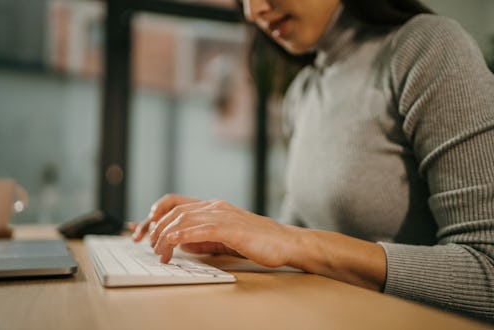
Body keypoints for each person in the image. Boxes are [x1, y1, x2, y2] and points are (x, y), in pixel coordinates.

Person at [132, 0, 494, 322]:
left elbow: (487, 272)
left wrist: (297, 243)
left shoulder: (426, 48)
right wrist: (230, 236)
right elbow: (296, 238)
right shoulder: (302, 93)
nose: (253, 10)